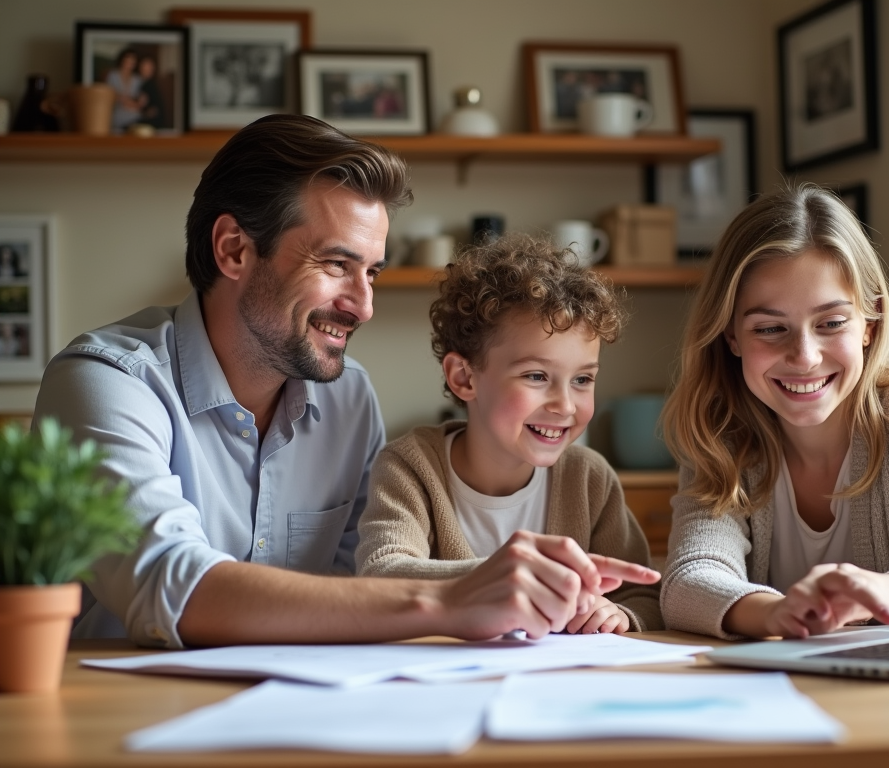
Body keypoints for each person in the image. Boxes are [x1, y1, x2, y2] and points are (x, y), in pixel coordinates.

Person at [33, 114, 659, 649]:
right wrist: (450, 598)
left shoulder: (348, 396)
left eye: (373, 274)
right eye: (336, 264)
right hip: (125, 716)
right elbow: (170, 583)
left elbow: (357, 589)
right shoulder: (106, 384)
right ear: (233, 250)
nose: (362, 306)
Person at [659, 184, 889, 640]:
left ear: (869, 325)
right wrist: (780, 612)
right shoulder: (722, 435)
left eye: (831, 323)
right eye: (771, 328)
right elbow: (688, 581)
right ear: (731, 336)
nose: (805, 356)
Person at [356, 235, 662, 634]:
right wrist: (503, 577)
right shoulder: (409, 467)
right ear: (464, 378)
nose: (566, 405)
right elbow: (381, 576)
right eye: (536, 376)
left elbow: (644, 597)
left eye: (583, 379)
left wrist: (620, 615)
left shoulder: (590, 478)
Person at [106, 48, 143, 133]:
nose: (129, 64)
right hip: (117, 114)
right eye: (127, 61)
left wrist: (135, 103)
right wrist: (124, 100)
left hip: (134, 115)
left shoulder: (137, 79)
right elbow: (109, 95)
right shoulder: (113, 75)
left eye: (132, 62)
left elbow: (139, 99)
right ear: (122, 60)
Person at [136, 55, 166, 129]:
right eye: (146, 67)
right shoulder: (138, 82)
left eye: (151, 67)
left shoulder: (150, 85)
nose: (149, 69)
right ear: (140, 68)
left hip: (152, 123)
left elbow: (143, 105)